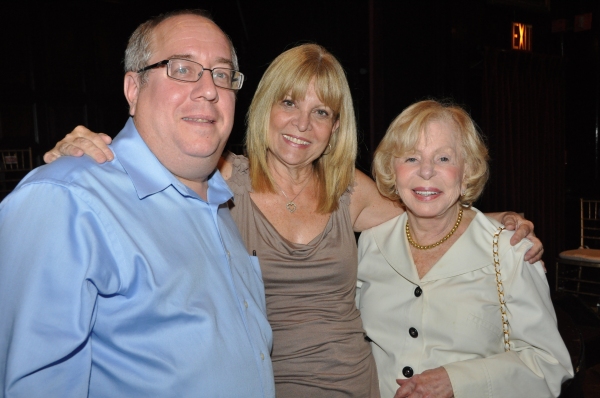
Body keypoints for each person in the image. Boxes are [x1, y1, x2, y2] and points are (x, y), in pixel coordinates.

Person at [44, 45, 543, 397]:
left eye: (321, 112)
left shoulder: (349, 188)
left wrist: (493, 220)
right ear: (265, 106)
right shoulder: (218, 178)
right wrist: (85, 149)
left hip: (353, 383)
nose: (303, 125)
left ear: (335, 127)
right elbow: (149, 164)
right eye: (289, 103)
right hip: (257, 383)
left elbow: (429, 213)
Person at [0, 10, 275, 398]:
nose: (209, 89)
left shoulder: (219, 202)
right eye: (182, 68)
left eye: (222, 74)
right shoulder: (66, 200)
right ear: (133, 89)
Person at [356, 100, 573, 398]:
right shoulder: (370, 243)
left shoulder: (509, 249)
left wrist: (457, 381)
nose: (427, 171)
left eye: (444, 158)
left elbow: (550, 364)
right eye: (411, 158)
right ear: (391, 168)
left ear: (467, 169)